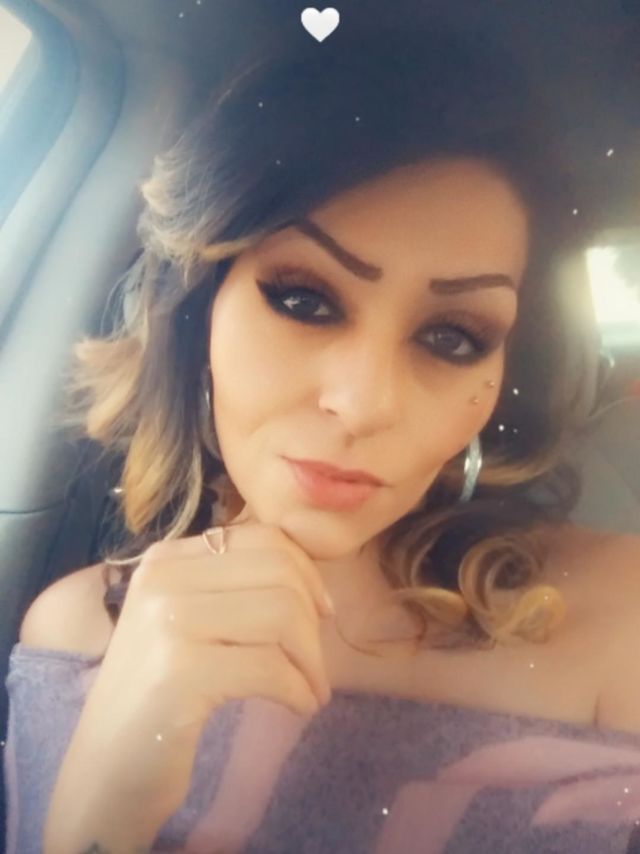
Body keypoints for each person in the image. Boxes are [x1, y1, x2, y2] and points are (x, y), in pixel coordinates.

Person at [5, 21, 640, 854]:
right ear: (197, 312)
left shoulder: (622, 614)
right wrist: (101, 808)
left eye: (452, 337)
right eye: (303, 299)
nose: (364, 403)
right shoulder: (74, 631)